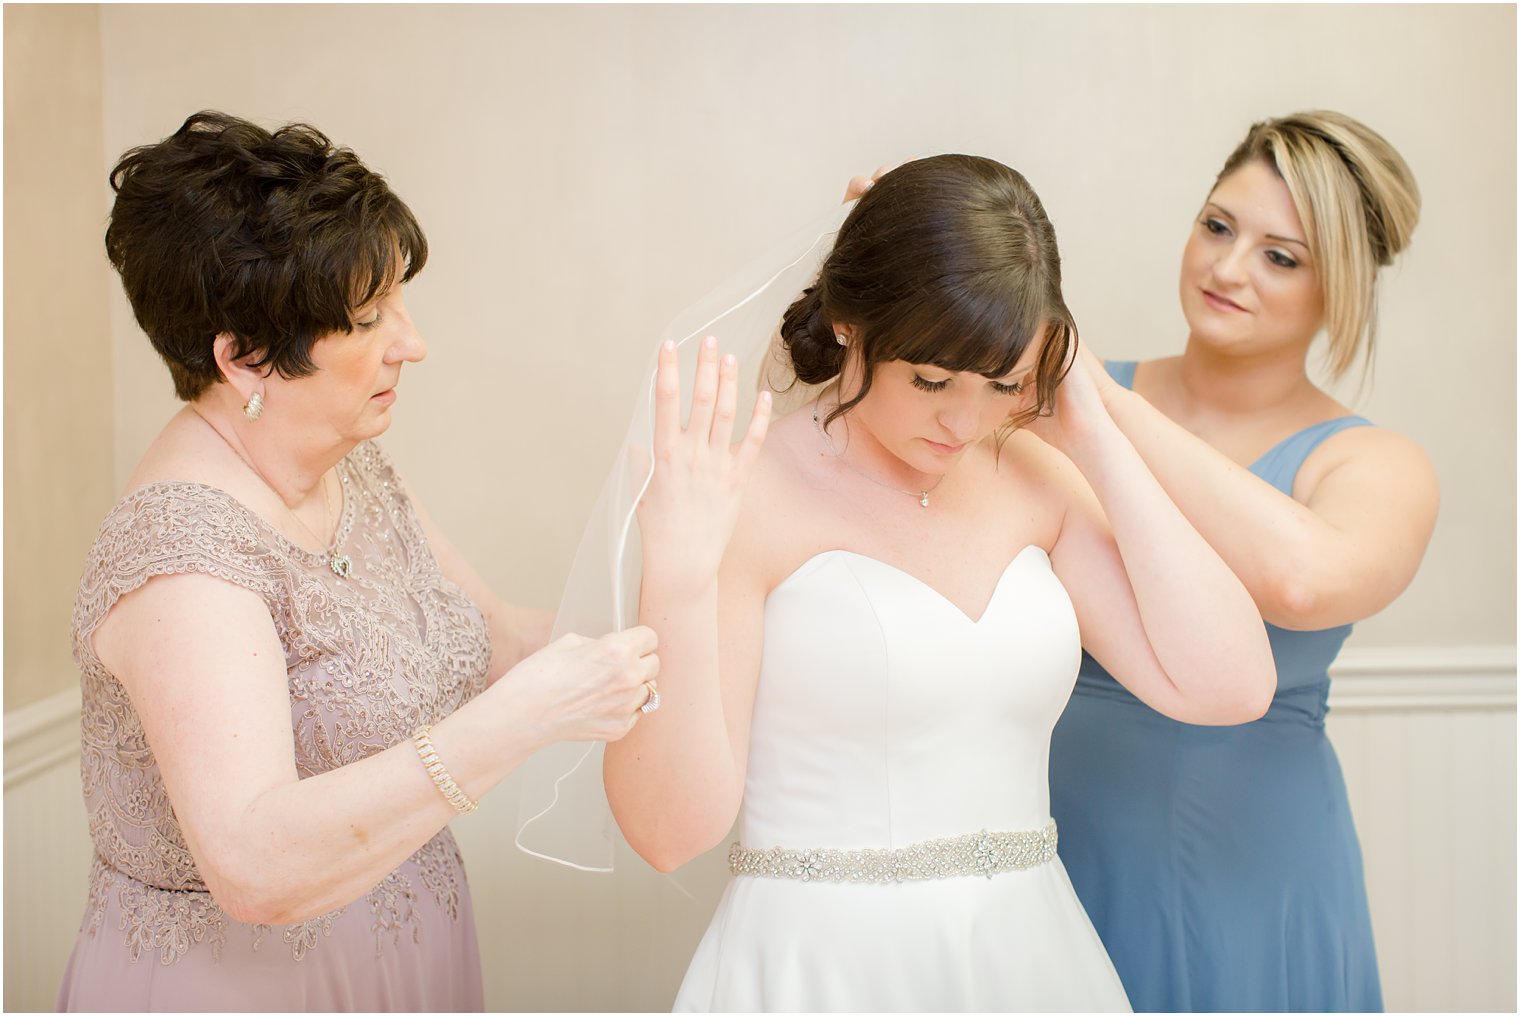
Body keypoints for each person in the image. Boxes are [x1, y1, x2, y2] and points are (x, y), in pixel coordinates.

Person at [601, 154, 1278, 1011]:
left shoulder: (1033, 472)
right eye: (930, 381)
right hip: (821, 971)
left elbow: (1233, 685)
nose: (964, 421)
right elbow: (668, 835)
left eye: (1002, 384)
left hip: (1030, 963)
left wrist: (1095, 437)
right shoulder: (743, 491)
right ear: (848, 320)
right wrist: (680, 576)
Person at [56, 111, 661, 1012]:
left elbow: (495, 641)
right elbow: (254, 865)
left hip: (408, 959)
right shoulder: (182, 560)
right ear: (245, 358)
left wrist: (687, 602)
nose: (411, 344)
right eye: (370, 318)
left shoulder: (352, 463)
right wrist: (518, 726)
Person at [1047, 110, 1436, 1012]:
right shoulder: (1062, 398)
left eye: (1281, 256)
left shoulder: (1372, 463)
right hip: (1055, 844)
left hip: (1256, 874)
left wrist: (1096, 401)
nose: (1227, 269)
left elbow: (1304, 582)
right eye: (1218, 226)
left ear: (1339, 288)